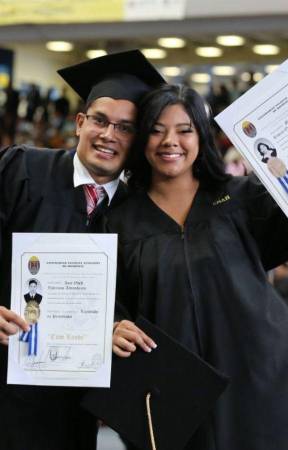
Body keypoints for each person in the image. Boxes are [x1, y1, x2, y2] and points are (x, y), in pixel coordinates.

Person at [108, 84, 288, 450]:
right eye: (157, 129)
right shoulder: (119, 219)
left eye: (184, 130)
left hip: (254, 369)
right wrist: (113, 326)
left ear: (201, 136)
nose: (170, 141)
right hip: (170, 382)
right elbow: (110, 297)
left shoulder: (241, 197)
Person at [0, 49, 164, 450]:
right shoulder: (23, 170)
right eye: (100, 121)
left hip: (75, 406)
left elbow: (133, 297)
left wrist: (117, 327)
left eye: (126, 128)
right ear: (80, 123)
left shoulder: (139, 213)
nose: (109, 135)